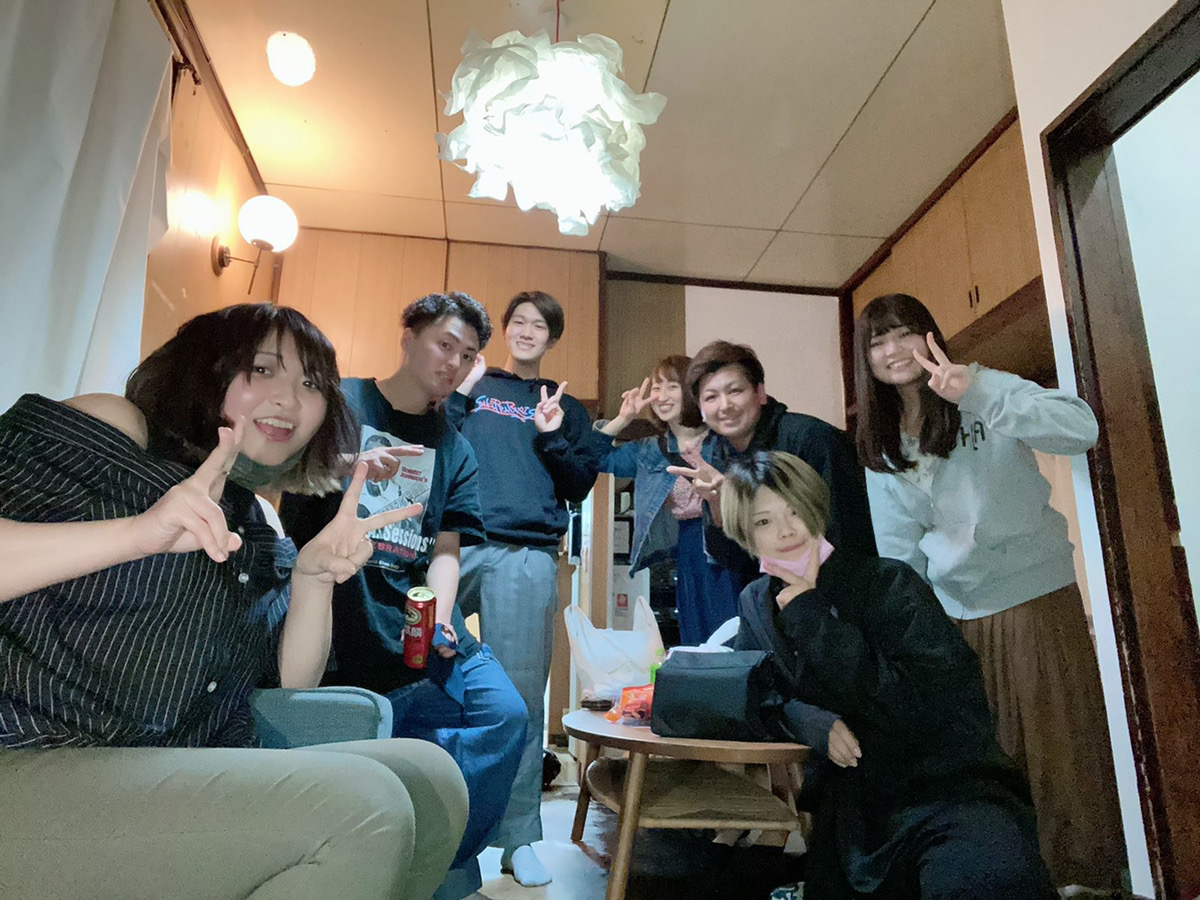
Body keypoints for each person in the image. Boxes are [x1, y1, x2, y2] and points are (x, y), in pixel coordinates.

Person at [0, 303, 468, 900]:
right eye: (262, 369)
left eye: (311, 384)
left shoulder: (257, 520)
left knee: (430, 780)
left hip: (167, 766)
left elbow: (290, 681)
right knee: (364, 808)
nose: (290, 400)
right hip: (35, 754)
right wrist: (136, 534)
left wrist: (312, 580)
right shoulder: (120, 427)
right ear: (204, 370)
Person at [853, 292, 1127, 891]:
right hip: (956, 613)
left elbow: (1080, 428)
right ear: (864, 358)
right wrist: (914, 639)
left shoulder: (979, 385)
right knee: (987, 759)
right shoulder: (882, 442)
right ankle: (1012, 877)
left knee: (1060, 748)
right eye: (877, 341)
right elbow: (900, 552)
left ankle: (1084, 876)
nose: (893, 350)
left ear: (930, 334)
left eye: (904, 332)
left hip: (1032, 595)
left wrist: (975, 392)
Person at [280, 291, 527, 900]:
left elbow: (446, 547)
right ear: (409, 336)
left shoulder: (456, 447)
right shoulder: (341, 402)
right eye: (445, 344)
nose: (453, 363)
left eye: (467, 356)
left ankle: (438, 855)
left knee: (504, 712)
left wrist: (441, 615)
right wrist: (347, 465)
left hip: (417, 618)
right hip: (338, 609)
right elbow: (279, 473)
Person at [723, 451, 1057, 900]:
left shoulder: (888, 583)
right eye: (764, 522)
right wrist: (806, 720)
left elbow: (921, 705)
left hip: (945, 790)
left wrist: (812, 616)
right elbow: (749, 693)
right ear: (745, 534)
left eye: (796, 511)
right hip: (853, 818)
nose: (786, 531)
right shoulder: (756, 602)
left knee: (983, 881)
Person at [444, 290, 602, 887]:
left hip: (525, 552)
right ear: (505, 330)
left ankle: (518, 839)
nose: (528, 331)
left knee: (521, 695)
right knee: (416, 672)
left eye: (540, 325)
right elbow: (433, 444)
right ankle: (428, 816)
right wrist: (460, 392)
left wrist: (554, 434)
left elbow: (579, 485)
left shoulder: (563, 403)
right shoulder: (473, 383)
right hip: (452, 544)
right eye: (519, 322)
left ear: (552, 338)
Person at [671, 340, 876, 591]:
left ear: (760, 393)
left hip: (840, 590)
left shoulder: (811, 439)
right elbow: (734, 561)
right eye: (711, 397)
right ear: (701, 409)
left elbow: (848, 534)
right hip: (773, 595)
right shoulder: (718, 456)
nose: (724, 406)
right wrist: (718, 506)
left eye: (735, 391)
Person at [595, 355, 738, 644]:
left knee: (730, 631)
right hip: (686, 545)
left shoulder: (724, 441)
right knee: (695, 636)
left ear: (692, 391)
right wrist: (623, 419)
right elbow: (595, 458)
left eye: (672, 386)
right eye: (656, 388)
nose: (661, 396)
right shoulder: (650, 449)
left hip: (726, 542)